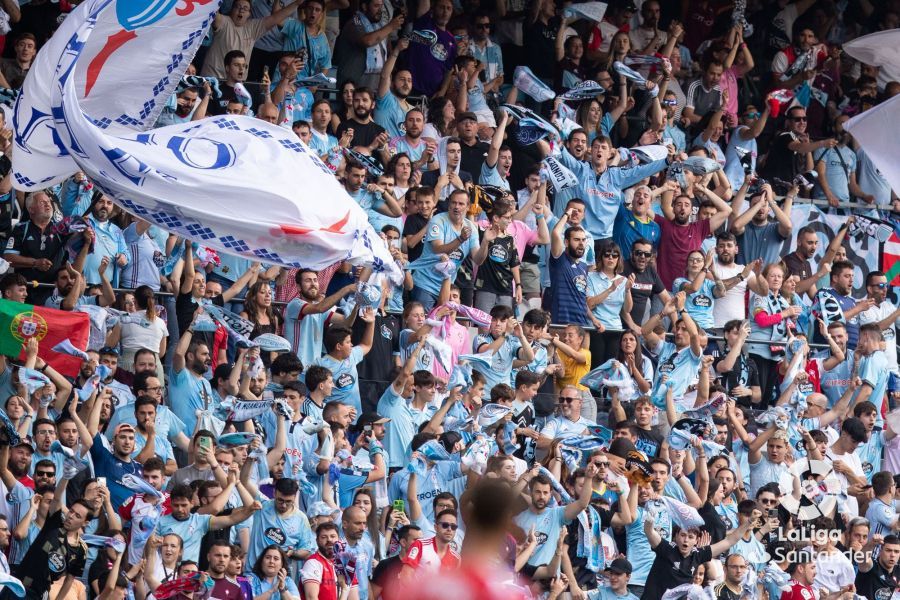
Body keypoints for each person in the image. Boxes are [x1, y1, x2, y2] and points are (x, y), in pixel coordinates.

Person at [301, 522, 359, 600]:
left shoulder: (346, 564)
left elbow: (354, 598)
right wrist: (345, 590)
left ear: (339, 539)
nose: (329, 540)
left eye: (333, 536)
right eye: (324, 537)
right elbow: (311, 598)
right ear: (317, 541)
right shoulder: (313, 563)